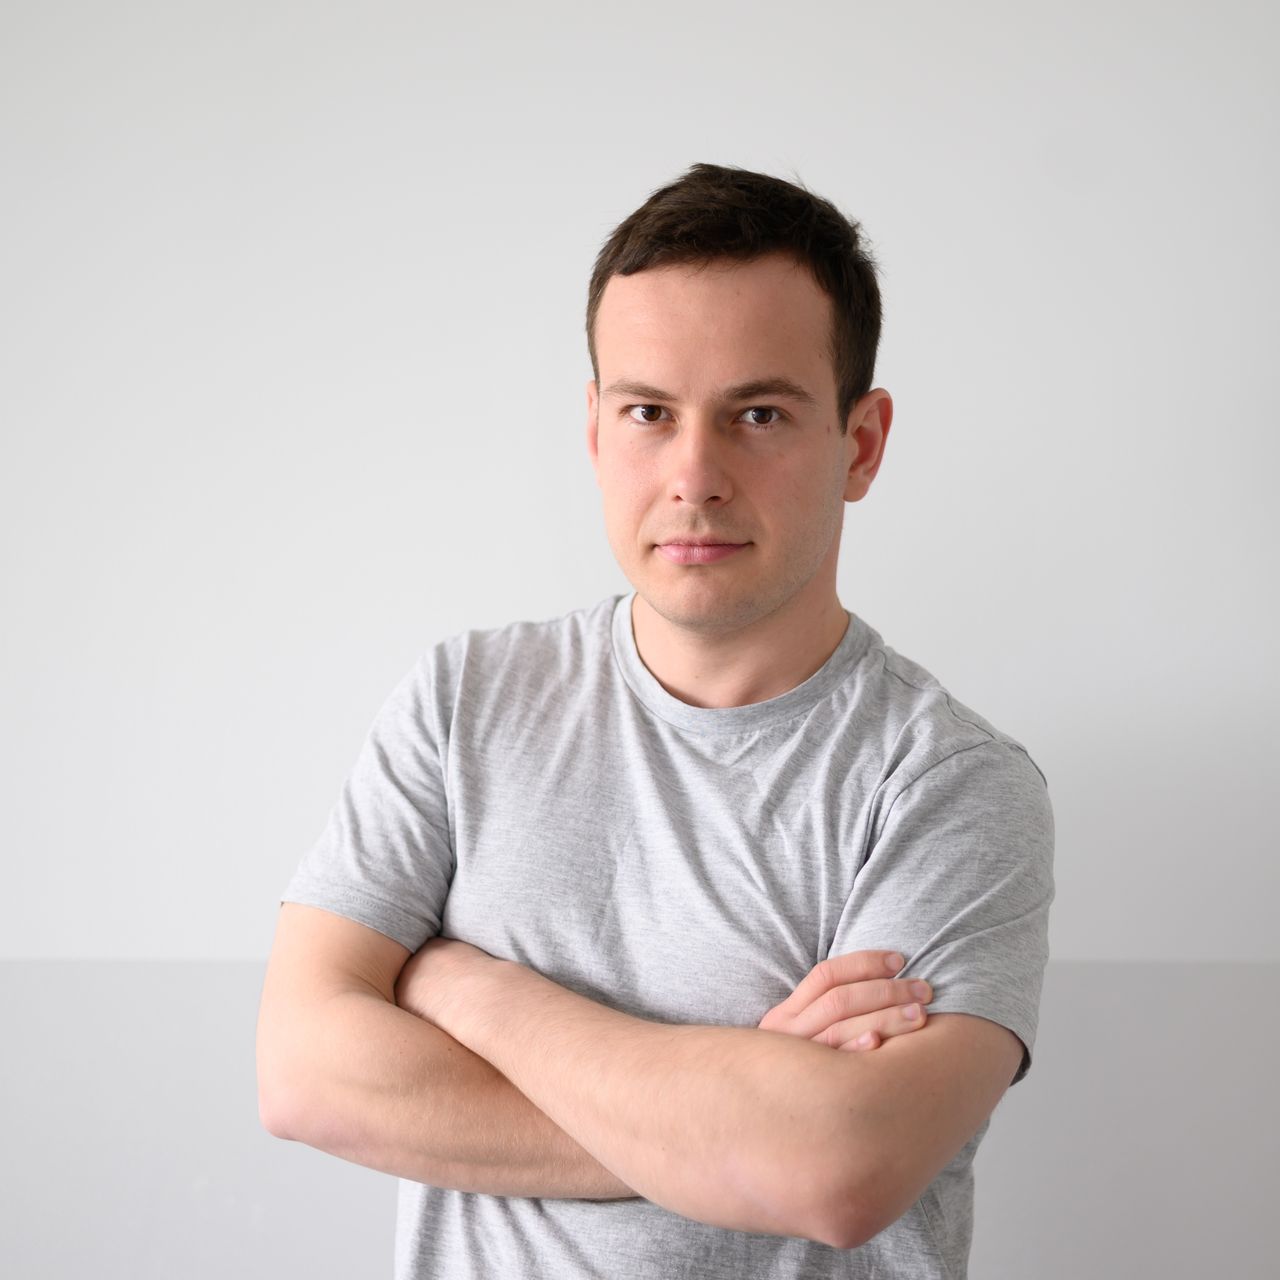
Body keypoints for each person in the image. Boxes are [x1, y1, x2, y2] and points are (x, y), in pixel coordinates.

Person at [256, 160, 1055, 1278]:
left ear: (861, 443)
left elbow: (835, 1170)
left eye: (758, 414)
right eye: (648, 412)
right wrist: (728, 1121)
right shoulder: (462, 702)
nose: (694, 475)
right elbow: (302, 1073)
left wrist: (465, 985)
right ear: (595, 430)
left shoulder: (949, 783)